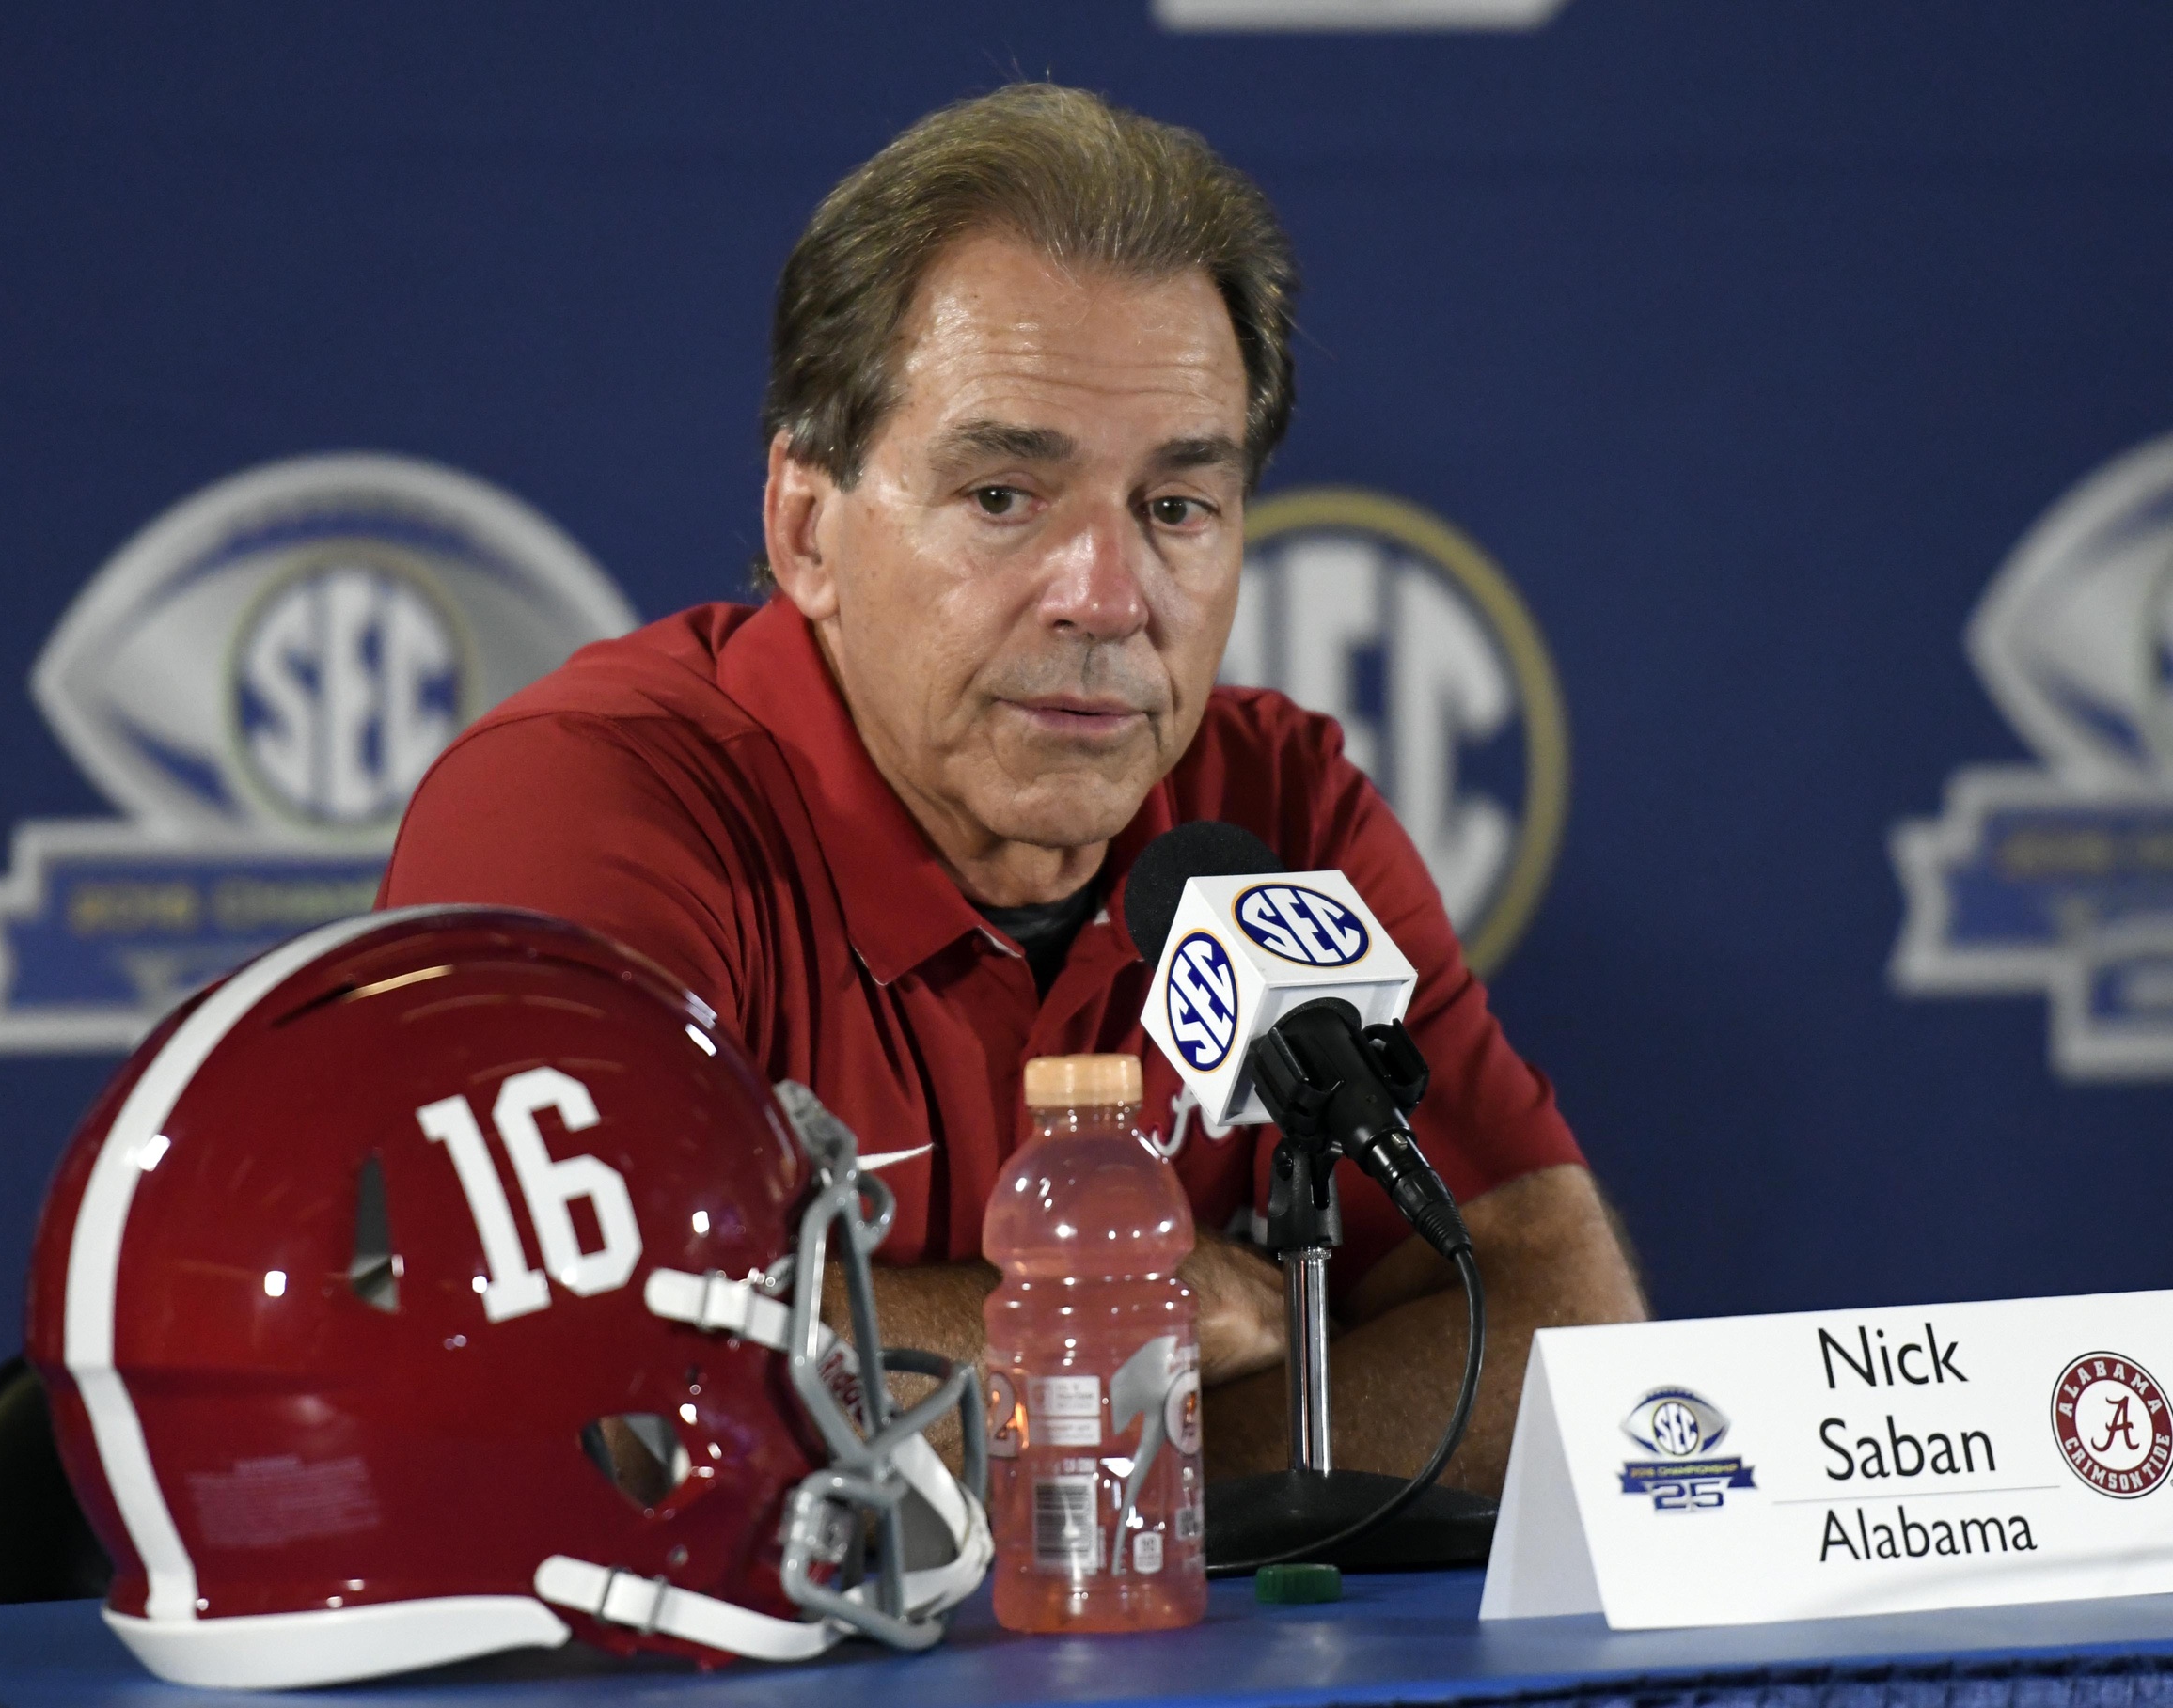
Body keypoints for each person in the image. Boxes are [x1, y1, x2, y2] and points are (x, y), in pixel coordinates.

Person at [380, 82, 1645, 1493]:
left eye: (1175, 507)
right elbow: (593, 1380)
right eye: (1002, 497)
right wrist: (1145, 1325)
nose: (1105, 599)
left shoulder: (1273, 814)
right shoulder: (584, 812)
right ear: (805, 525)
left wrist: (1122, 1492)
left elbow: (1562, 1343)